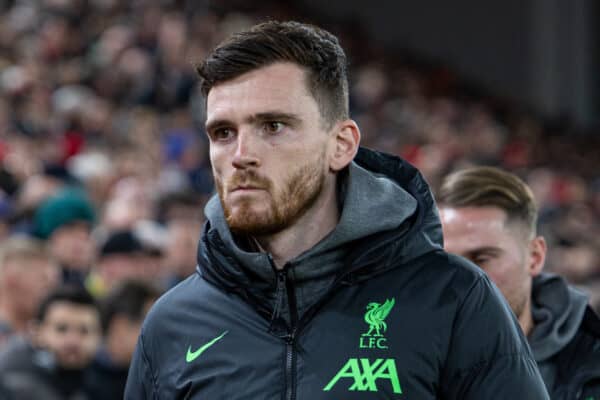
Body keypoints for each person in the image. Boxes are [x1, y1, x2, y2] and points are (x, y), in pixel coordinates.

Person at [125, 21, 549, 399]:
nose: (241, 155)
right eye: (222, 132)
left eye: (273, 126)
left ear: (341, 145)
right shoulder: (172, 324)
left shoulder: (454, 299)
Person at [438, 166, 600, 400]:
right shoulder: (396, 362)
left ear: (534, 257)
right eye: (448, 261)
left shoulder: (590, 367)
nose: (460, 281)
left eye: (482, 258)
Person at [0, 285, 101, 400]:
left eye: (84, 331)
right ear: (37, 333)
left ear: (100, 336)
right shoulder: (13, 384)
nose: (73, 341)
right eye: (61, 329)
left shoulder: (109, 379)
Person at [85, 280, 160, 400]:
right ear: (120, 327)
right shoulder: (83, 382)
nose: (161, 335)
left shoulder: (154, 381)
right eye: (154, 325)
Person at [0, 236, 59, 347]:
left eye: (54, 283)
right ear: (11, 279)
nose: (52, 291)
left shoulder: (46, 340)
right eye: (44, 280)